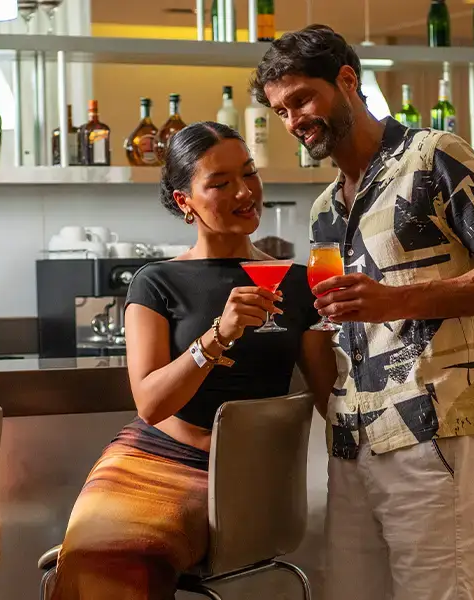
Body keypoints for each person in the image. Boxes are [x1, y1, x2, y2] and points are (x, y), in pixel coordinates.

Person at [252, 25, 474, 600]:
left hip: (431, 426)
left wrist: (398, 300)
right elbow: (329, 326)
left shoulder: (435, 157)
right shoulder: (324, 211)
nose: (293, 121)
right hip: (352, 439)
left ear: (346, 80)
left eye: (302, 99)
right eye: (281, 111)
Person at [51, 121, 338, 599]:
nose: (245, 192)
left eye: (249, 174)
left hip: (243, 479)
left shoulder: (297, 282)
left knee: (119, 558)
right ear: (184, 201)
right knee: (103, 556)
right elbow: (151, 404)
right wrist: (216, 337)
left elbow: (332, 401)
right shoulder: (155, 281)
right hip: (150, 461)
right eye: (221, 183)